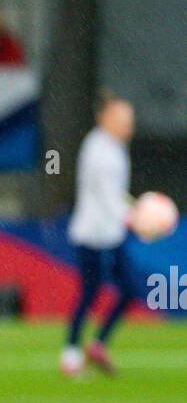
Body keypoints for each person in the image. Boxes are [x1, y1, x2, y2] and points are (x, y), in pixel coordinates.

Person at [62, 95, 137, 375]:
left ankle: (97, 345)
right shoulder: (98, 148)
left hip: (111, 232)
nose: (128, 126)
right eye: (122, 120)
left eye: (130, 121)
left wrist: (134, 210)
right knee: (90, 292)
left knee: (128, 289)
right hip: (92, 233)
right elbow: (107, 196)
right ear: (105, 118)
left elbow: (116, 194)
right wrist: (134, 218)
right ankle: (70, 355)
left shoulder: (115, 147)